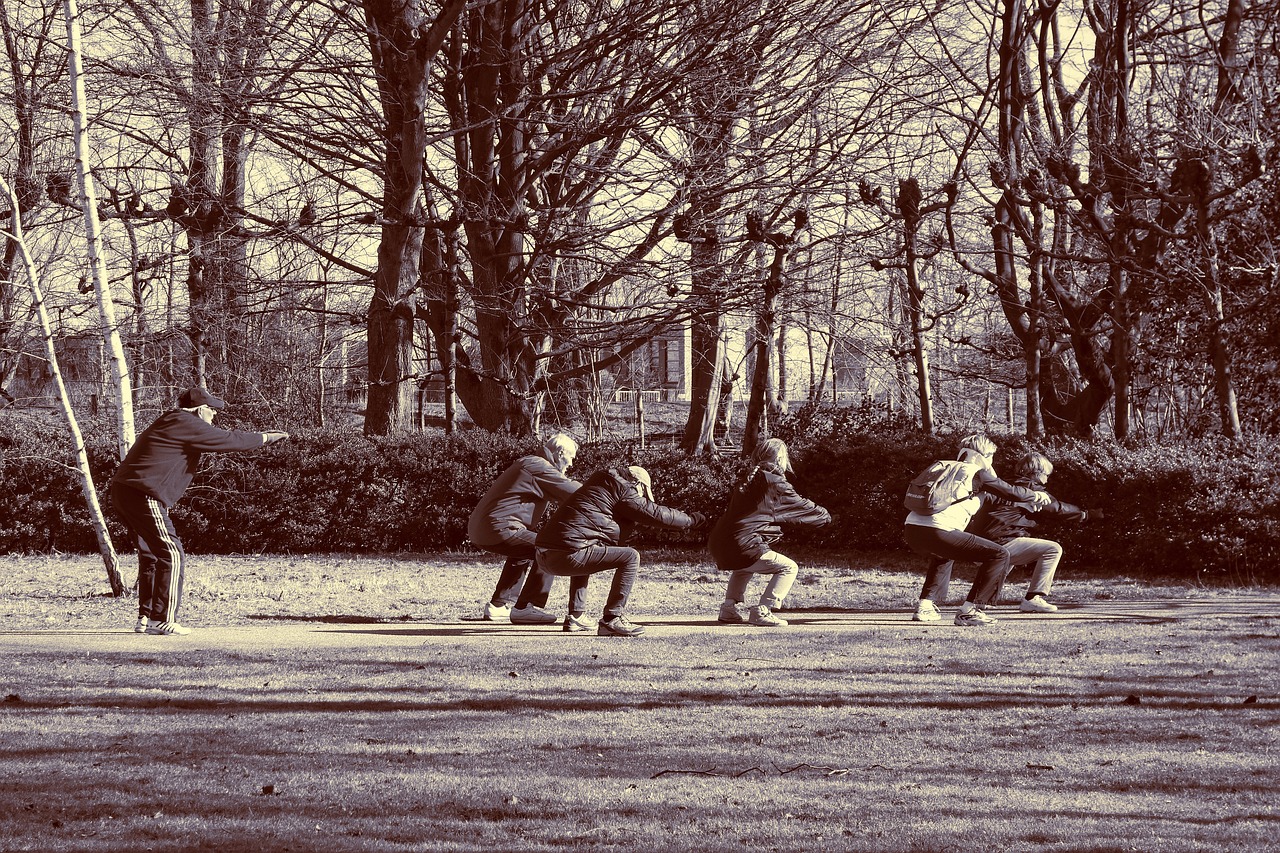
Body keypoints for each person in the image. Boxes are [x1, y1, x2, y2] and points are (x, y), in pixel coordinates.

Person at [110, 386, 289, 636]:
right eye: (213, 411)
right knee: (172, 553)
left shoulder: (170, 420)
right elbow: (228, 440)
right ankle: (162, 620)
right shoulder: (185, 422)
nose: (214, 416)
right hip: (143, 493)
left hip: (126, 491)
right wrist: (266, 437)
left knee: (151, 554)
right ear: (201, 409)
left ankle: (147, 616)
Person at [535, 465, 705, 637]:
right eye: (642, 493)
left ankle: (576, 616)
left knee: (588, 546)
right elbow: (655, 513)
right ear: (637, 483)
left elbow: (636, 521)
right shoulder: (624, 489)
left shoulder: (601, 487)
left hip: (543, 556)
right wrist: (689, 520)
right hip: (567, 555)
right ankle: (612, 619)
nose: (641, 497)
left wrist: (664, 529)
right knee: (630, 556)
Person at [903, 434, 1050, 626]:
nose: (992, 461)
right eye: (991, 457)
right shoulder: (977, 472)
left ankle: (925, 606)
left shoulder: (944, 466)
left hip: (912, 529)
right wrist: (1035, 495)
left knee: (943, 555)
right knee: (999, 554)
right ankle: (970, 610)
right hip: (939, 529)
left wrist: (1025, 502)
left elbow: (995, 497)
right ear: (983, 455)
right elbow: (1010, 491)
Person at [708, 438, 831, 627]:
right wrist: (826, 515)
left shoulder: (748, 479)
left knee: (743, 568)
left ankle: (728, 609)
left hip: (719, 541)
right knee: (789, 568)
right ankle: (763, 610)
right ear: (780, 458)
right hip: (743, 543)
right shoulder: (775, 483)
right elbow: (801, 506)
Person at [467, 434, 582, 625]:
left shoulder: (533, 464)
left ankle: (498, 605)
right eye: (571, 458)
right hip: (499, 528)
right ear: (560, 453)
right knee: (552, 548)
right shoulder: (538, 466)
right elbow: (575, 492)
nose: (571, 464)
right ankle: (525, 607)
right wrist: (605, 492)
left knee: (524, 550)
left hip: (484, 529)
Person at [968, 451, 1100, 613]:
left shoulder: (1005, 485)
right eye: (1046, 475)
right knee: (1052, 549)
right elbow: (1057, 508)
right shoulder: (1032, 489)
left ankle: (981, 600)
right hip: (1001, 541)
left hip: (979, 543)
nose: (1047, 479)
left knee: (1010, 556)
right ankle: (1033, 598)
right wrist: (1085, 515)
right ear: (1037, 474)